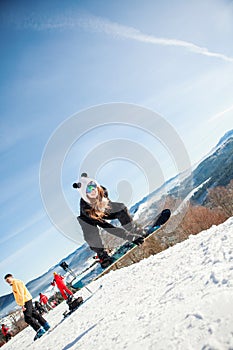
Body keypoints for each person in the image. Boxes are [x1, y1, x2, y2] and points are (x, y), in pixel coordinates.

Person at [73, 173, 145, 268]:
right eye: (89, 189)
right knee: (90, 232)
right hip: (90, 218)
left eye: (93, 186)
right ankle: (102, 254)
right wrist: (129, 237)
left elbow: (112, 208)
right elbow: (107, 227)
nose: (93, 190)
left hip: (103, 209)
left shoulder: (103, 191)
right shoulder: (86, 208)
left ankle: (134, 229)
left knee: (121, 208)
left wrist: (132, 234)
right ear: (84, 193)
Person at [4, 274, 50, 341]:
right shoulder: (14, 284)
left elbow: (21, 294)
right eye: (6, 281)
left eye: (8, 280)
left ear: (11, 277)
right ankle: (45, 324)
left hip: (25, 300)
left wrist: (22, 305)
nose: (7, 282)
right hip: (27, 299)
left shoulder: (16, 283)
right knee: (34, 313)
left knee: (27, 317)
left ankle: (39, 329)